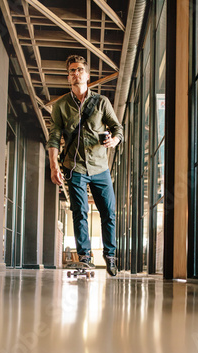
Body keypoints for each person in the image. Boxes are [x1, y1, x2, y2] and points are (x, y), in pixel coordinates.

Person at [47, 55, 123, 276]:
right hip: (74, 167)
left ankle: (110, 256)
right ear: (68, 76)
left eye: (79, 69)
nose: (75, 73)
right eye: (71, 71)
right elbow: (54, 138)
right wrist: (54, 165)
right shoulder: (61, 106)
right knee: (79, 212)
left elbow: (118, 128)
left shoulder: (101, 102)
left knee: (108, 211)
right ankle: (85, 258)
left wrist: (115, 140)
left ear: (87, 75)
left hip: (100, 168)